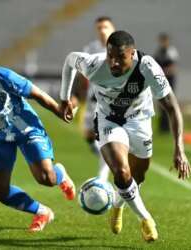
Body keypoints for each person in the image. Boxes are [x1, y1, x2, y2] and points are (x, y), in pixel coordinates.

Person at [59, 31, 191, 242]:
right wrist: (64, 98)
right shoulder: (94, 65)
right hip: (108, 120)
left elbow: (172, 108)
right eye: (110, 55)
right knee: (121, 170)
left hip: (139, 121)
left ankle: (118, 205)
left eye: (120, 57)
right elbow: (69, 60)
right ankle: (145, 218)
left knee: (137, 177)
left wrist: (180, 149)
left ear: (132, 53)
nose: (113, 62)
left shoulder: (148, 68)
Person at [0, 46, 75, 233]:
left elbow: (37, 94)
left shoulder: (5, 77)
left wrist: (60, 111)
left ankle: (59, 173)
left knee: (46, 178)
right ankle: (42, 212)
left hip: (26, 127)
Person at [74, 16, 115, 181]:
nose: (103, 30)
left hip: (112, 100)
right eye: (99, 27)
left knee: (106, 138)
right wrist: (76, 96)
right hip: (93, 100)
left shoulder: (120, 46)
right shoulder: (90, 48)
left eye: (105, 26)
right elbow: (80, 74)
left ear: (112, 28)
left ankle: (102, 178)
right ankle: (107, 157)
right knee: (89, 135)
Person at [153, 33, 179, 133]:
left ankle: (169, 127)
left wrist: (162, 72)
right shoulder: (159, 52)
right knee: (161, 103)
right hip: (160, 80)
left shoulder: (171, 51)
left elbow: (173, 68)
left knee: (169, 103)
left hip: (169, 81)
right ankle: (162, 127)